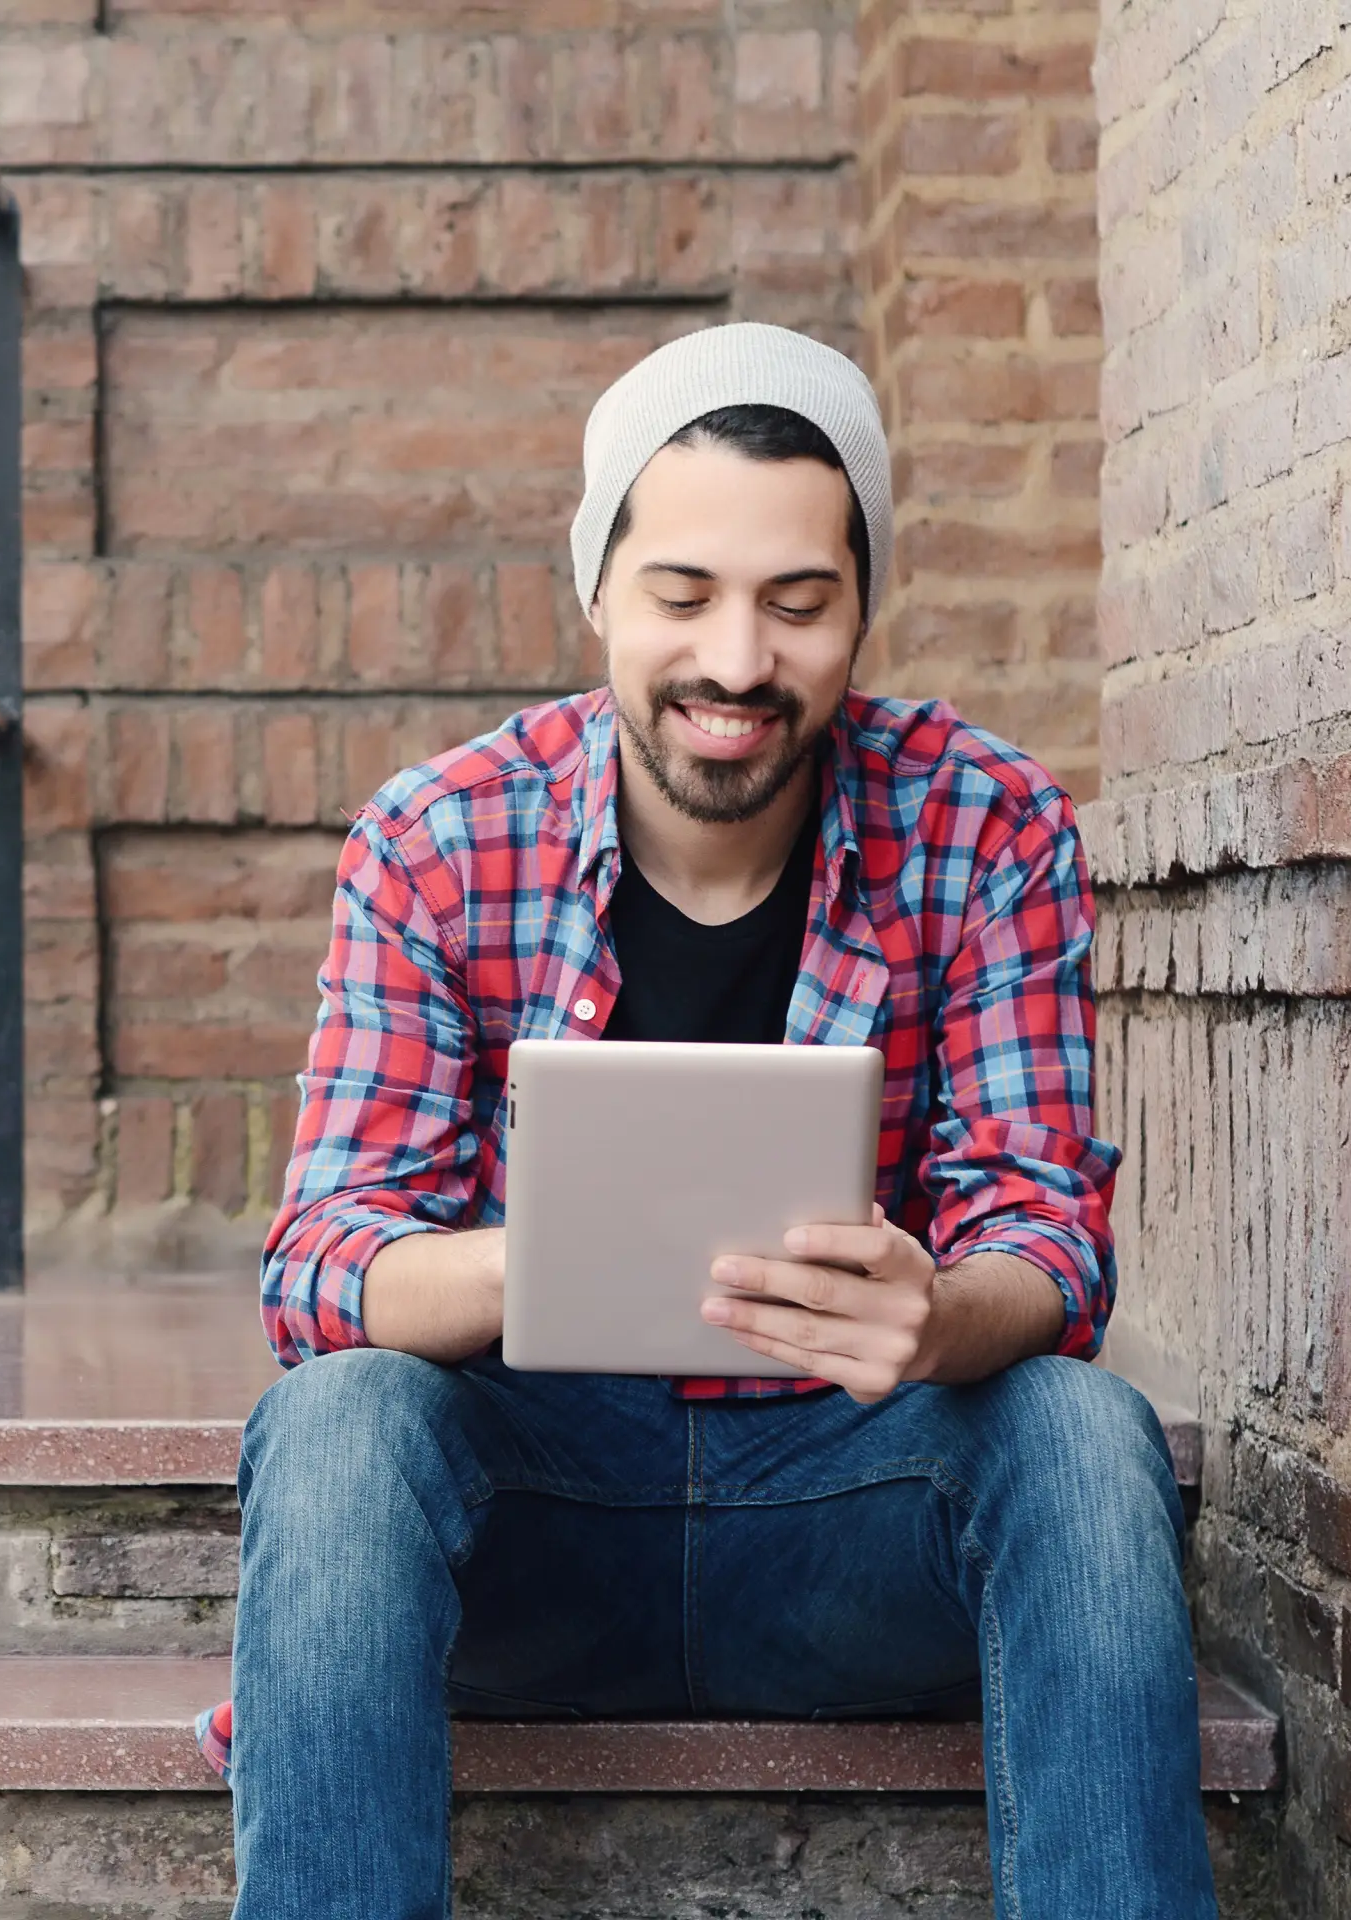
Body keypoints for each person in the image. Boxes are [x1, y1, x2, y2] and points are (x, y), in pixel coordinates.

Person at [205, 323, 1213, 1920]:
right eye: (682, 596)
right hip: (532, 1537)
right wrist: (549, 1261)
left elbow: (1049, 1240)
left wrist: (941, 1315)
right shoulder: (437, 840)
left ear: (861, 609)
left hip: (851, 1518)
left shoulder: (990, 822)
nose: (736, 661)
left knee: (1085, 1434)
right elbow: (323, 1265)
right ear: (595, 585)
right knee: (337, 1428)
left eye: (797, 605)